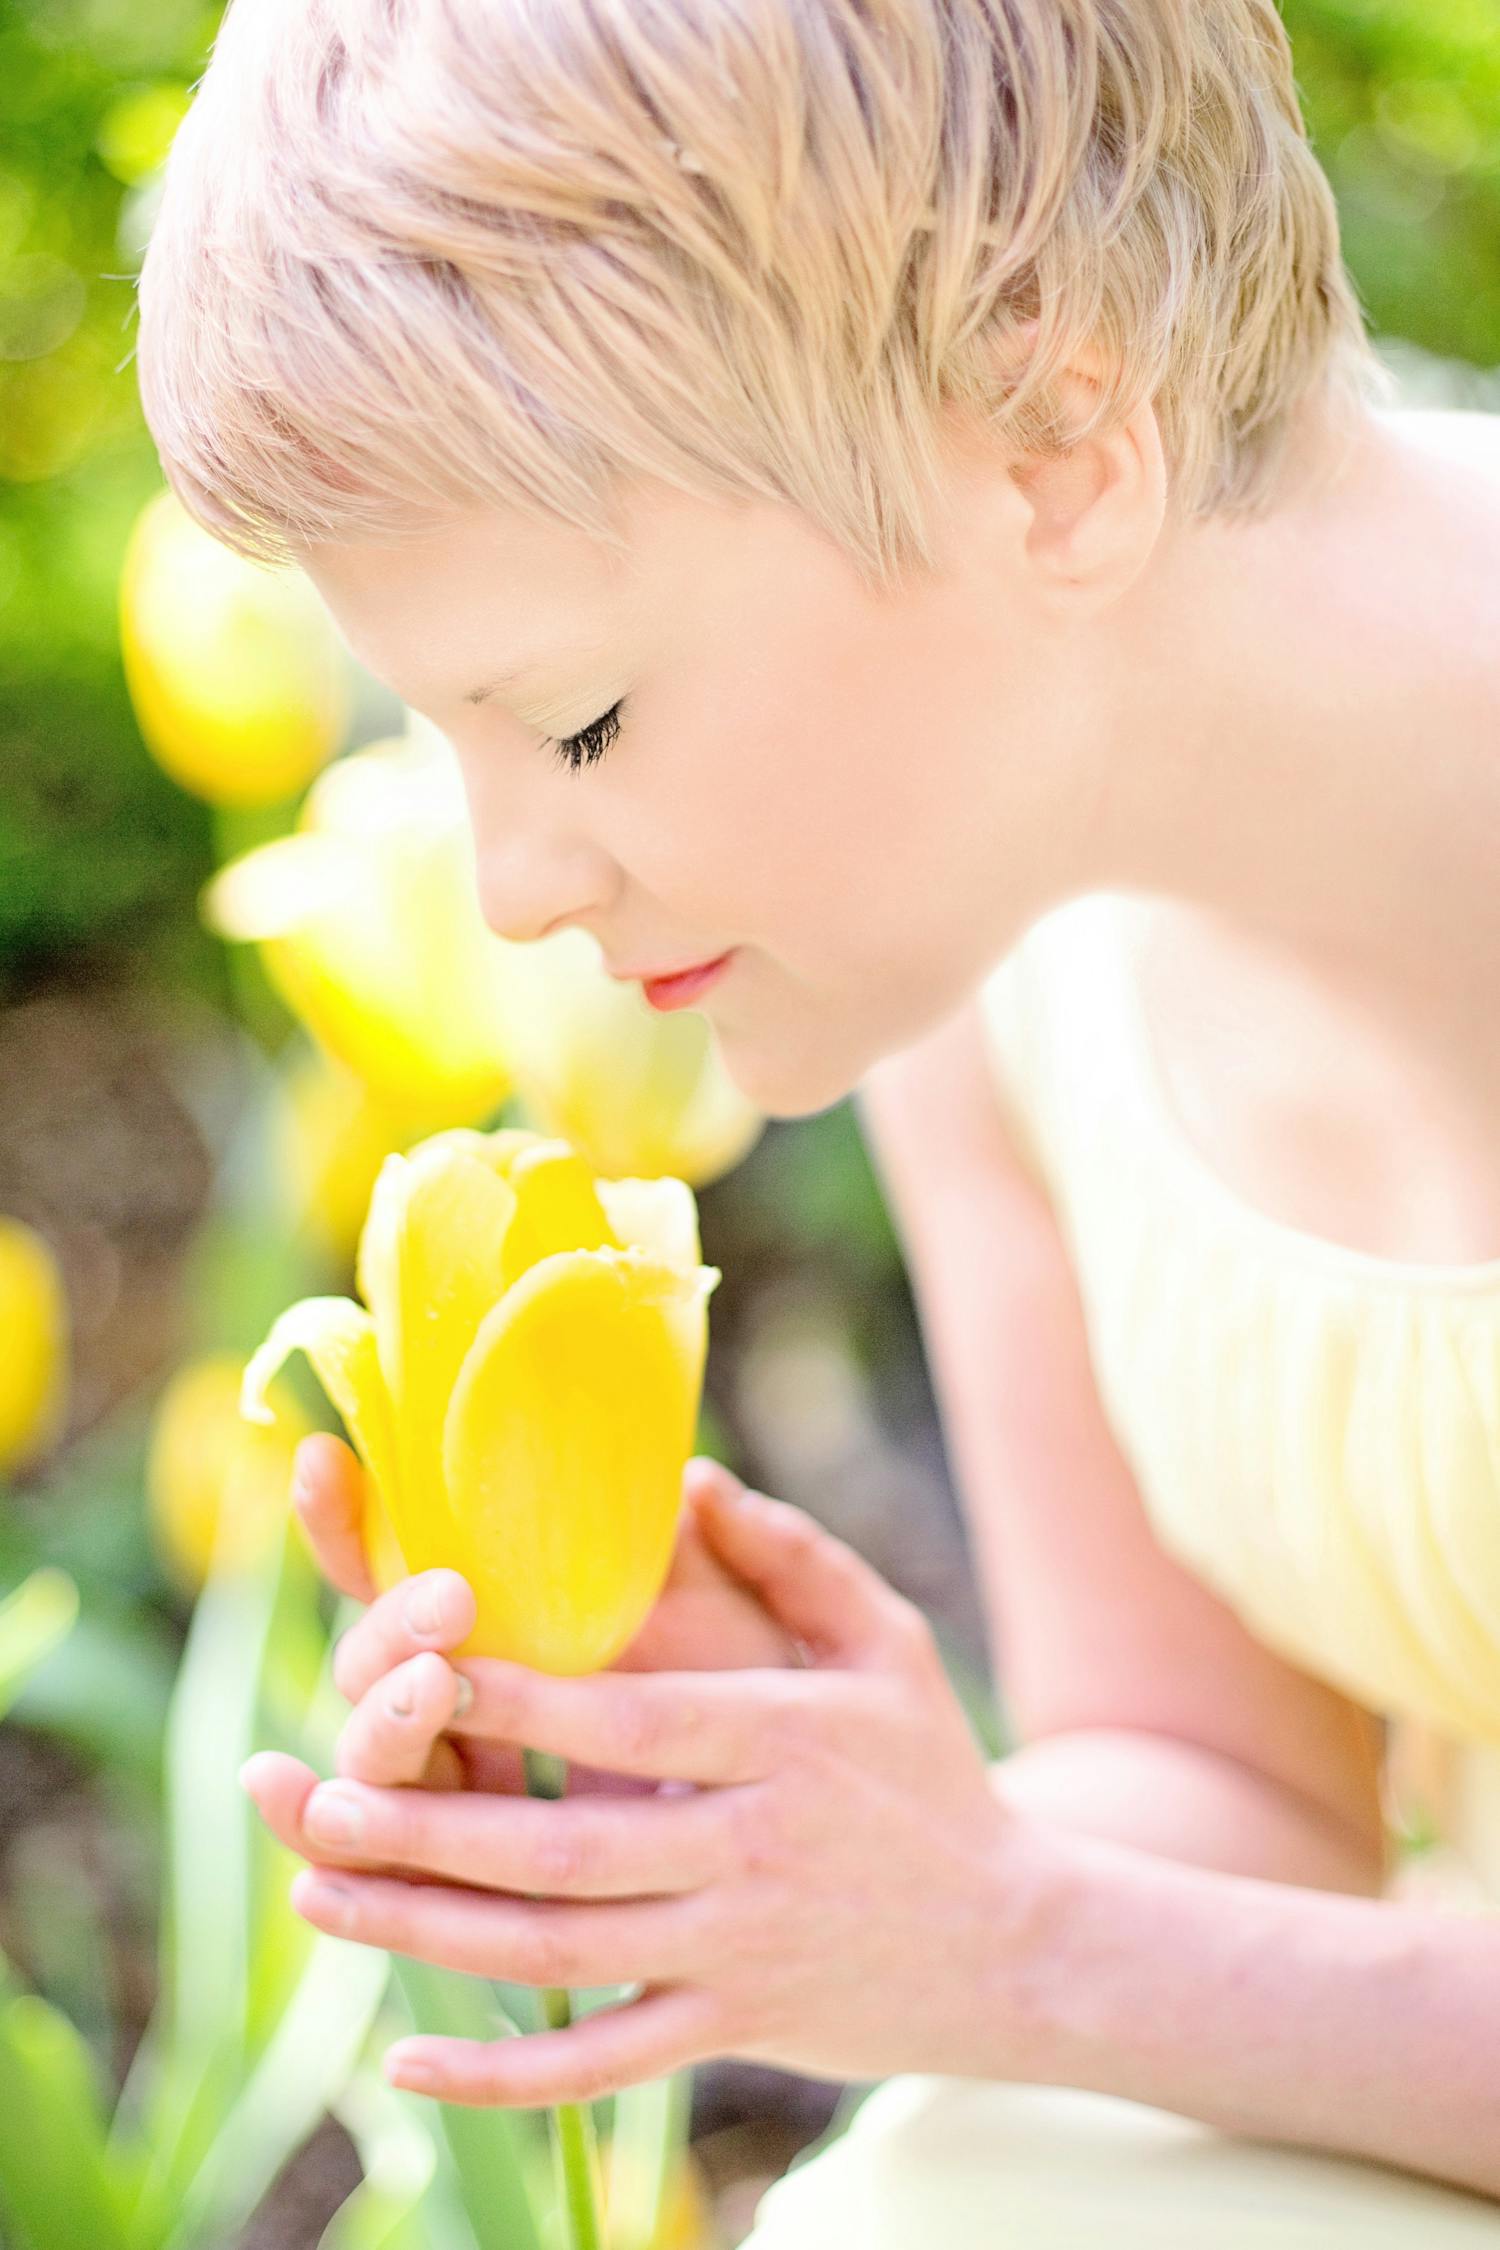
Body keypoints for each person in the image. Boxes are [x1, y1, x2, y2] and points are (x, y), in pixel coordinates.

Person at [134, 0, 1500, 2232]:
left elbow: (1118, 1962)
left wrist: (1038, 1951)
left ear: (1057, 443)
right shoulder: (1017, 954)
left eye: (569, 724)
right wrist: (791, 1819)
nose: (507, 888)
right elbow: (1232, 1795)